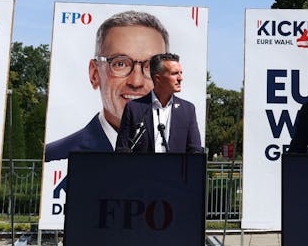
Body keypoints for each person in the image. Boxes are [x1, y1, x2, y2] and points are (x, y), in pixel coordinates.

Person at [44, 10, 170, 161]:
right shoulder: (55, 157)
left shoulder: (184, 154)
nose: (136, 82)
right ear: (95, 74)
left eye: (151, 66)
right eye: (120, 63)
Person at [115, 53, 204, 154]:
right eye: (174, 73)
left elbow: (195, 150)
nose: (180, 78)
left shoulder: (188, 110)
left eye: (181, 73)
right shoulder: (134, 108)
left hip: (176, 169)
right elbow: (122, 149)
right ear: (158, 78)